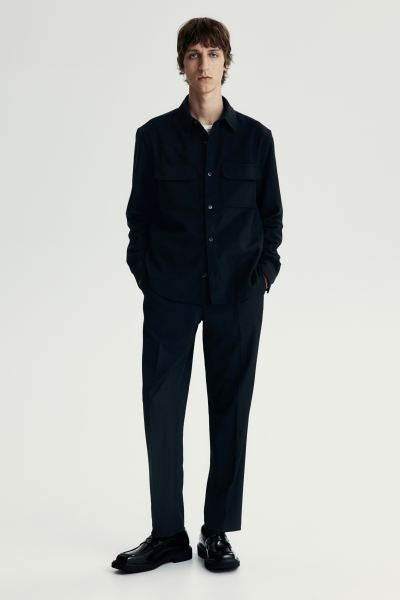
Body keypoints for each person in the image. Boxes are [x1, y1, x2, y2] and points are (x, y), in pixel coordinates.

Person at [111, 16, 283, 574]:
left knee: (230, 409)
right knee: (162, 409)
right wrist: (148, 275)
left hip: (238, 293)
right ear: (181, 64)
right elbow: (139, 217)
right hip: (171, 294)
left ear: (226, 63)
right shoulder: (153, 138)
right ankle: (168, 534)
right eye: (193, 54)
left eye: (212, 53)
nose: (203, 63)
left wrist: (264, 273)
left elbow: (271, 217)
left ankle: (216, 531)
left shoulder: (256, 139)